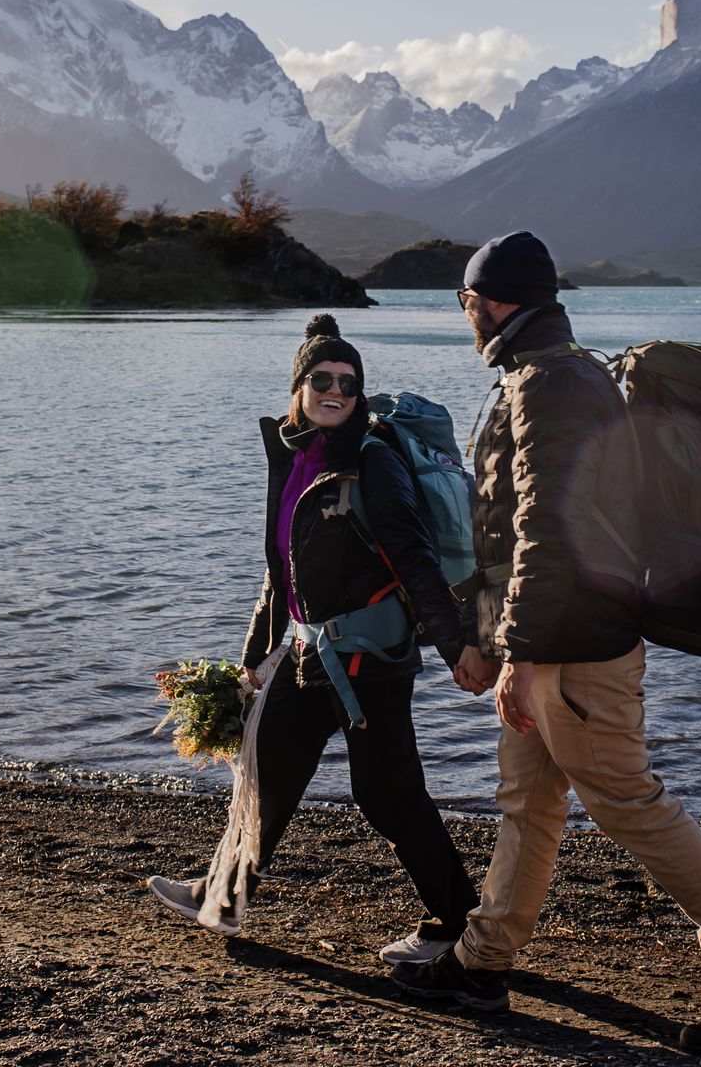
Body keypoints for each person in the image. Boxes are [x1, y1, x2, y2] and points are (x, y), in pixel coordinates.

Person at [390, 232, 701, 1055]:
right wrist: (501, 640)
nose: (465, 314)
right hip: (546, 640)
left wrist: (523, 653)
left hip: (575, 649)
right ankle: (482, 961)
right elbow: (509, 531)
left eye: (465, 300)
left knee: (628, 805)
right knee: (528, 806)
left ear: (492, 299)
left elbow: (550, 530)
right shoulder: (545, 373)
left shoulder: (552, 385)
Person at [147, 314, 491, 964]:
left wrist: (456, 648)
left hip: (372, 663)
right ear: (299, 386)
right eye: (323, 378)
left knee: (388, 795)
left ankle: (461, 924)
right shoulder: (294, 459)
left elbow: (415, 561)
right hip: (309, 654)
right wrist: (254, 659)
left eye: (348, 382)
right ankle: (221, 895)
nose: (336, 390)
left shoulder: (375, 463)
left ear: (359, 395)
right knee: (267, 771)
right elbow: (281, 574)